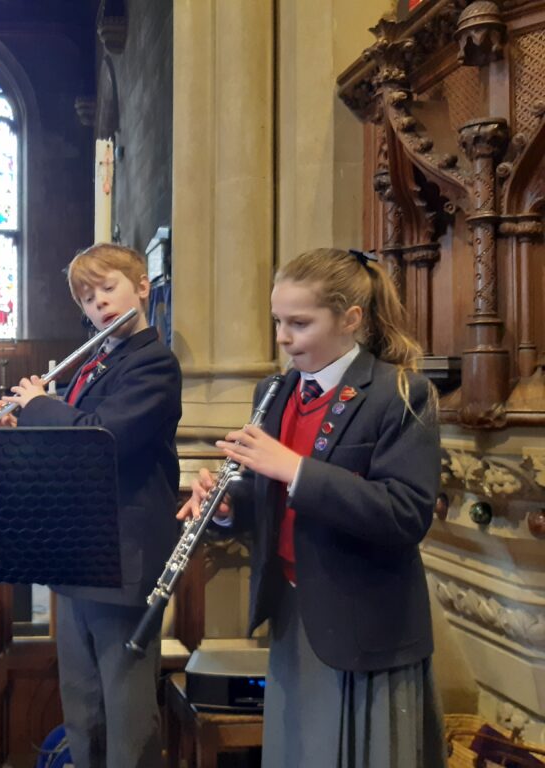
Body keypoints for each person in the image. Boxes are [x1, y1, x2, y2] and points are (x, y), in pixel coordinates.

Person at [180, 248, 446, 768]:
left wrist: (295, 468)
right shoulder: (274, 392)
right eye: (278, 321)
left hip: (365, 622)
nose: (283, 337)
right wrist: (227, 507)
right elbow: (266, 496)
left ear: (351, 320)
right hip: (294, 613)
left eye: (299, 323)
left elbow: (406, 513)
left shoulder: (399, 393)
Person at [0, 243, 182, 768]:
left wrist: (40, 405)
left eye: (108, 288)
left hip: (122, 558)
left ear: (143, 286)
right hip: (80, 549)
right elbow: (63, 447)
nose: (99, 304)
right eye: (88, 298)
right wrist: (18, 420)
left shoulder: (154, 364)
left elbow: (101, 439)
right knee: (84, 708)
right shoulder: (96, 363)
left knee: (127, 711)